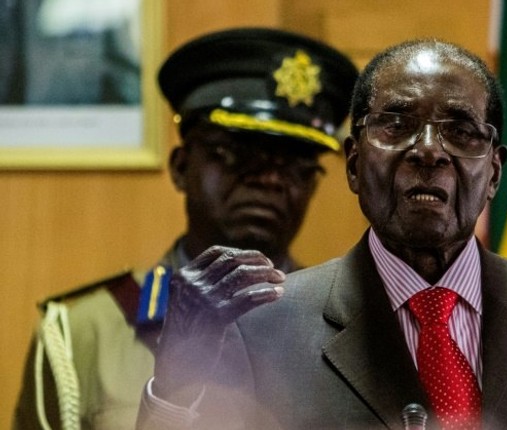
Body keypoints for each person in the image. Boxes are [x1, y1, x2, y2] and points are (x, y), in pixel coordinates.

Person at [137, 39, 507, 430]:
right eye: (396, 124)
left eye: (460, 129)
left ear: (494, 173)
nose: (428, 150)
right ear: (355, 164)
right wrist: (174, 390)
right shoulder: (259, 328)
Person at [13, 27, 358, 430]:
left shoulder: (348, 329)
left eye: (296, 168)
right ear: (180, 167)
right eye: (238, 155)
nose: (270, 181)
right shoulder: (82, 334)